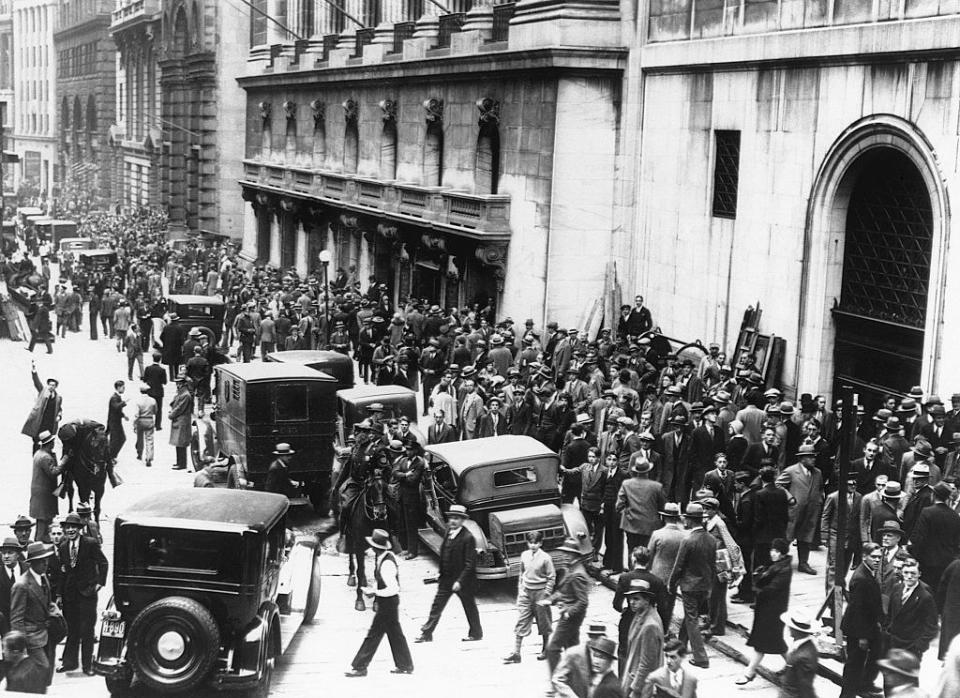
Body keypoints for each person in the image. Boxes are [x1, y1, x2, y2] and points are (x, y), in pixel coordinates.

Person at [344, 529, 414, 677]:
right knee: (395, 634)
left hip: (388, 602)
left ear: (377, 548)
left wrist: (374, 593)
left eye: (372, 546)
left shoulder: (386, 564)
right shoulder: (386, 557)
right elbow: (384, 584)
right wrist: (374, 589)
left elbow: (393, 588)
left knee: (373, 635)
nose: (370, 549)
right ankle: (405, 664)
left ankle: (360, 666)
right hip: (389, 602)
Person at [416, 504, 482, 643]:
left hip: (462, 581)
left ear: (462, 520)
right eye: (451, 518)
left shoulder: (468, 538)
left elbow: (470, 564)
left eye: (456, 519)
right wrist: (440, 573)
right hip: (446, 578)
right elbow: (444, 554)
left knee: (469, 606)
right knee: (437, 605)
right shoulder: (448, 532)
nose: (452, 521)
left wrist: (460, 581)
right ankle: (427, 633)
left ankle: (476, 633)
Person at [55, 513, 107, 676]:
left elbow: (103, 562)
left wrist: (99, 583)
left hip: (87, 593)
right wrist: (59, 594)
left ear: (79, 529)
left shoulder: (90, 543)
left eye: (73, 527)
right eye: (67, 527)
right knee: (71, 629)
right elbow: (63, 573)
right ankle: (69, 662)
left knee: (87, 630)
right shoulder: (63, 547)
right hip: (70, 594)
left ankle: (87, 665)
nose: (70, 530)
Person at [736, 537, 792, 685]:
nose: (773, 553)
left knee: (763, 643)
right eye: (772, 550)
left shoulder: (784, 569)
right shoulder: (777, 565)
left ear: (783, 553)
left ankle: (749, 672)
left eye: (777, 551)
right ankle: (793, 666)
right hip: (768, 610)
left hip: (773, 611)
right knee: (776, 642)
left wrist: (758, 585)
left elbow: (772, 588)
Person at [668, 502, 716, 669]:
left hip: (689, 586)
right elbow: (713, 564)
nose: (685, 522)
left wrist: (671, 583)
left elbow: (678, 566)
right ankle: (680, 646)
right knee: (691, 617)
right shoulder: (711, 539)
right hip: (705, 585)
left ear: (690, 520)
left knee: (692, 619)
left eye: (686, 519)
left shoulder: (688, 540)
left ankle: (701, 657)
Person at [10, 542, 64, 686]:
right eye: (41, 560)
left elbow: (47, 603)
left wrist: (54, 612)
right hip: (32, 638)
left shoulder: (43, 577)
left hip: (47, 635)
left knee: (47, 677)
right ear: (32, 563)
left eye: (46, 559)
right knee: (42, 669)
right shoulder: (21, 585)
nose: (46, 563)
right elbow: (16, 619)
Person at [839, 543, 885, 697]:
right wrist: (863, 637)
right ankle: (847, 695)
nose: (877, 560)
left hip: (866, 626)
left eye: (879, 557)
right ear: (864, 556)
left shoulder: (867, 572)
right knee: (854, 665)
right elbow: (858, 610)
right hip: (858, 630)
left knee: (872, 655)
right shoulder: (862, 578)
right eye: (874, 557)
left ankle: (863, 685)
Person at [541, 537, 591, 677]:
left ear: (575, 555)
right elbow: (563, 591)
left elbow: (583, 601)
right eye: (564, 552)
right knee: (572, 650)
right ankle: (578, 680)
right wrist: (550, 600)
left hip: (570, 617)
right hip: (570, 615)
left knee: (552, 649)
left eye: (567, 553)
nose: (564, 556)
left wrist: (568, 612)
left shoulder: (577, 574)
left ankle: (557, 680)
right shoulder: (571, 569)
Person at [503, 530, 555, 664]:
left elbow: (551, 577)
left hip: (540, 593)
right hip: (527, 593)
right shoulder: (524, 555)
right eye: (530, 543)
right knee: (522, 620)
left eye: (536, 543)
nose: (533, 545)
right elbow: (521, 573)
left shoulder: (545, 558)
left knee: (543, 622)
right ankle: (516, 652)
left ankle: (546, 649)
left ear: (541, 543)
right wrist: (521, 589)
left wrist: (546, 594)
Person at [908, 481, 960, 597]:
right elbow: (957, 542)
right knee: (938, 594)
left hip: (926, 563)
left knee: (923, 593)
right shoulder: (955, 516)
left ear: (933, 495)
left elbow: (919, 539)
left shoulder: (927, 512)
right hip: (946, 563)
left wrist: (914, 556)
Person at [885, 558, 939, 660]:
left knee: (907, 675)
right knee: (890, 674)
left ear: (919, 574)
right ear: (902, 573)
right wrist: (887, 632)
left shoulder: (925, 596)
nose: (909, 577)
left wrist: (919, 646)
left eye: (913, 573)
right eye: (906, 572)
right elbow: (889, 614)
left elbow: (932, 627)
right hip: (893, 643)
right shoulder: (897, 588)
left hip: (911, 647)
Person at [784, 444, 824, 575]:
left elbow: (820, 488)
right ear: (802, 459)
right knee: (788, 536)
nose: (814, 459)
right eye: (811, 457)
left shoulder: (818, 473)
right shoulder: (791, 471)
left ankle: (803, 563)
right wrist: (789, 497)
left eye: (814, 457)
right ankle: (781, 561)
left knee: (806, 536)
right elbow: (778, 485)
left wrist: (819, 500)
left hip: (811, 511)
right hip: (794, 511)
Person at [620, 578, 664, 697]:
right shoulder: (640, 614)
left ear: (647, 600)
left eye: (636, 598)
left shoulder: (650, 626)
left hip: (641, 684)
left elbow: (646, 664)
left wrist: (635, 690)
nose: (631, 602)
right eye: (630, 599)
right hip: (633, 676)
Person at [821, 472, 863, 594]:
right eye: (850, 484)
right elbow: (825, 516)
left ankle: (840, 588)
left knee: (845, 564)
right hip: (835, 535)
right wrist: (824, 536)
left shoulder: (859, 497)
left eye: (855, 484)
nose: (853, 486)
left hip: (851, 537)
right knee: (834, 565)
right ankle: (830, 594)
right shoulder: (834, 497)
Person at [552, 628, 622, 698]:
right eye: (594, 638)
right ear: (590, 637)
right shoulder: (573, 653)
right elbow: (557, 679)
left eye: (600, 638)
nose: (596, 661)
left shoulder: (609, 685)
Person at [617, 458, 666, 551]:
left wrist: (628, 514)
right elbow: (663, 507)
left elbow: (619, 506)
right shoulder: (657, 486)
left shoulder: (626, 484)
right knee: (647, 553)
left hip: (631, 525)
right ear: (648, 471)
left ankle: (632, 565)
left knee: (632, 551)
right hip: (649, 526)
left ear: (636, 470)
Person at [391, 440, 425, 560]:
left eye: (410, 449)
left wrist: (401, 476)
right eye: (407, 449)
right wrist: (405, 475)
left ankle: (413, 551)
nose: (408, 451)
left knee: (411, 525)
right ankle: (406, 548)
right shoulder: (403, 460)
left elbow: (413, 481)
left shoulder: (419, 463)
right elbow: (394, 472)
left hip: (412, 498)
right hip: (402, 496)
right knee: (403, 523)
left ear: (415, 450)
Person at [28, 432, 61, 545]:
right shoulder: (46, 457)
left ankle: (41, 539)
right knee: (43, 519)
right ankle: (39, 543)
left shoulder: (38, 453)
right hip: (45, 494)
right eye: (52, 442)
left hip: (39, 492)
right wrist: (65, 461)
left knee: (42, 519)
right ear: (49, 443)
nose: (53, 444)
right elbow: (53, 472)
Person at [778, 610, 820, 698]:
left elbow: (805, 686)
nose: (788, 628)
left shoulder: (804, 656)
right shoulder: (801, 646)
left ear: (796, 630)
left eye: (790, 627)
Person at [21, 363, 61, 446]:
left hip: (50, 423)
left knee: (48, 440)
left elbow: (60, 409)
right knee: (36, 439)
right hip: (40, 420)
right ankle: (35, 454)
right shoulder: (43, 391)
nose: (50, 386)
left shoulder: (58, 398)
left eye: (53, 385)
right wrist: (34, 372)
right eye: (49, 384)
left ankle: (46, 454)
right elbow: (37, 383)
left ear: (56, 387)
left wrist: (59, 416)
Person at [168, 371, 193, 470]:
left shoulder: (185, 395)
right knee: (178, 444)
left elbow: (179, 408)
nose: (177, 384)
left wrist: (171, 414)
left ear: (183, 383)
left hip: (182, 421)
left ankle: (182, 464)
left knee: (181, 444)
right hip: (179, 421)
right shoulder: (181, 393)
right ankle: (179, 462)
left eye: (178, 383)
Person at [0, 538, 26, 636]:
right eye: (3, 553)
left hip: (26, 621)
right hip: (4, 623)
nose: (6, 556)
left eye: (10, 553)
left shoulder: (27, 569)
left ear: (18, 554)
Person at [132, 383, 157, 467]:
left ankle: (139, 453)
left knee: (140, 438)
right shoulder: (153, 400)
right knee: (149, 439)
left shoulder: (138, 401)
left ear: (140, 391)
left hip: (140, 420)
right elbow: (155, 411)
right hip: (149, 420)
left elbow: (136, 414)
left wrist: (134, 424)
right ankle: (149, 457)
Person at [142, 352, 167, 431]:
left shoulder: (148, 368)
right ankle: (158, 425)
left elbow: (145, 379)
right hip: (159, 392)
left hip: (150, 391)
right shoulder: (162, 370)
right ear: (160, 360)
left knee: (149, 408)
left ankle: (148, 424)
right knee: (159, 409)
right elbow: (164, 382)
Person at [105, 380, 127, 460]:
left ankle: (112, 456)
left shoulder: (117, 397)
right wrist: (124, 402)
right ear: (118, 388)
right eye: (123, 387)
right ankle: (110, 457)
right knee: (115, 440)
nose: (124, 389)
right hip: (114, 422)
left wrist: (123, 415)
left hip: (116, 422)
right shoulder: (114, 397)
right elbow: (116, 407)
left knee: (121, 439)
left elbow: (117, 410)